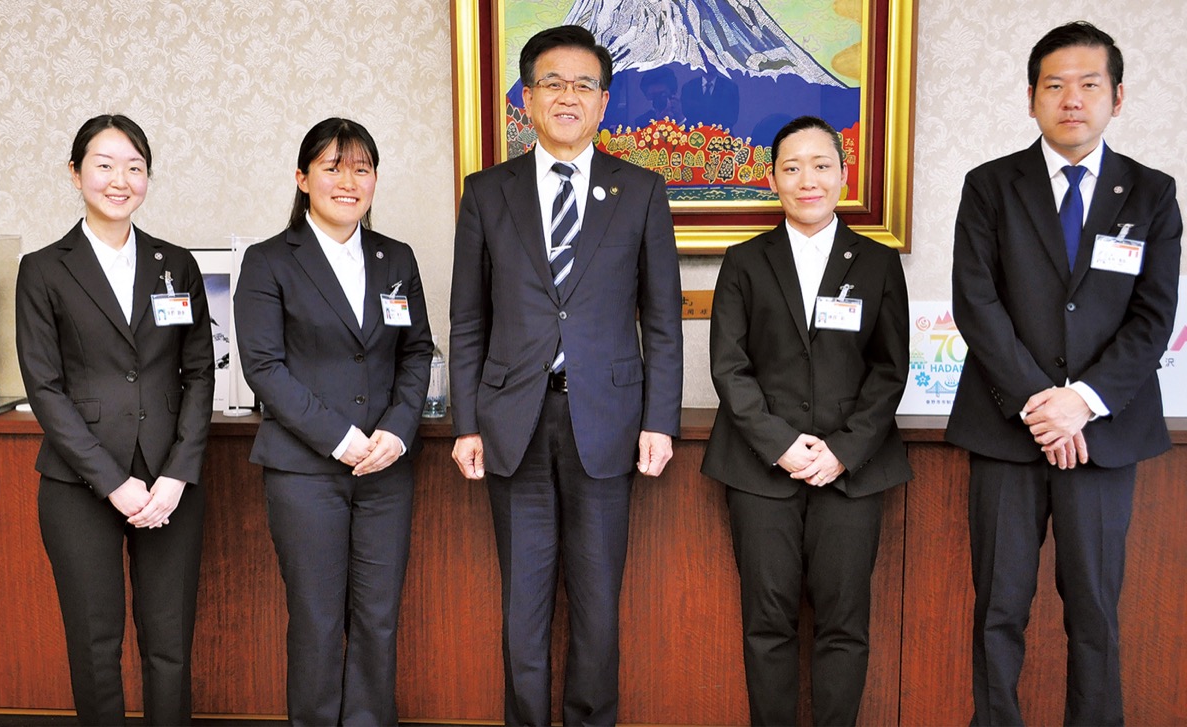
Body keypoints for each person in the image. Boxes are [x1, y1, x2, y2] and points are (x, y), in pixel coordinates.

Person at [946, 21, 1181, 725]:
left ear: (1117, 97)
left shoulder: (1151, 193)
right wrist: (1039, 402)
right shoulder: (990, 186)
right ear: (1031, 98)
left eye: (1088, 84)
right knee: (999, 609)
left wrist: (1082, 401)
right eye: (1054, 85)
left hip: (1104, 434)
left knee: (1095, 610)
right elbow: (977, 302)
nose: (1071, 99)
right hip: (1005, 429)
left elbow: (1153, 316)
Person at [448, 25, 684, 727]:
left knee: (598, 605)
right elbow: (468, 319)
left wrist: (660, 420)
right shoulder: (486, 192)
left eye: (584, 84)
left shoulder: (641, 190)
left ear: (604, 101)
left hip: (607, 424)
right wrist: (466, 422)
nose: (568, 95)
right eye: (552, 82)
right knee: (523, 606)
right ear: (526, 98)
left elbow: (662, 320)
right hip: (512, 424)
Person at [702, 116, 911, 725]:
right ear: (773, 180)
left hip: (852, 472)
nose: (807, 180)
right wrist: (782, 444)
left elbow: (889, 369)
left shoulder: (877, 263)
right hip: (760, 469)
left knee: (844, 623)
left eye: (821, 166)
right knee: (767, 624)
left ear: (843, 175)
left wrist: (842, 450)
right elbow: (729, 367)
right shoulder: (745, 261)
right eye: (791, 168)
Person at [15, 114, 214, 725]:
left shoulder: (175, 264)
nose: (120, 180)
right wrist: (113, 482)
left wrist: (177, 475)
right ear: (76, 174)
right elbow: (45, 389)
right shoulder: (43, 268)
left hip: (168, 483)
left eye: (134, 167)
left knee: (169, 645)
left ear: (147, 177)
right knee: (96, 647)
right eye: (104, 165)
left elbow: (199, 373)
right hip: (79, 485)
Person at [234, 118, 433, 726]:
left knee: (378, 618)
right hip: (305, 473)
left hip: (385, 470)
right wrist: (341, 439)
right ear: (302, 179)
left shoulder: (396, 258)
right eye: (332, 167)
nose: (349, 181)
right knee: (318, 619)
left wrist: (397, 431)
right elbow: (263, 368)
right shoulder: (269, 261)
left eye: (362, 169)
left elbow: (417, 352)